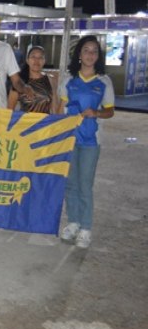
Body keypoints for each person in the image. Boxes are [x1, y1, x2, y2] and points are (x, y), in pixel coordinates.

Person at [58, 36, 114, 249]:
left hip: (91, 140)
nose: (90, 55)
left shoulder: (104, 82)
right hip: (70, 138)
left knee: (85, 184)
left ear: (97, 56)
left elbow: (110, 111)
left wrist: (97, 112)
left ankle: (86, 228)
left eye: (94, 51)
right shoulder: (68, 79)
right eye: (86, 50)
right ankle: (73, 222)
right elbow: (59, 108)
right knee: (70, 183)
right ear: (79, 54)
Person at [7, 46, 57, 113]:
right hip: (25, 123)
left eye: (40, 57)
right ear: (27, 60)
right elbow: (10, 110)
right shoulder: (19, 82)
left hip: (45, 123)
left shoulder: (51, 80)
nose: (36, 60)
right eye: (33, 57)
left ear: (44, 61)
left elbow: (55, 109)